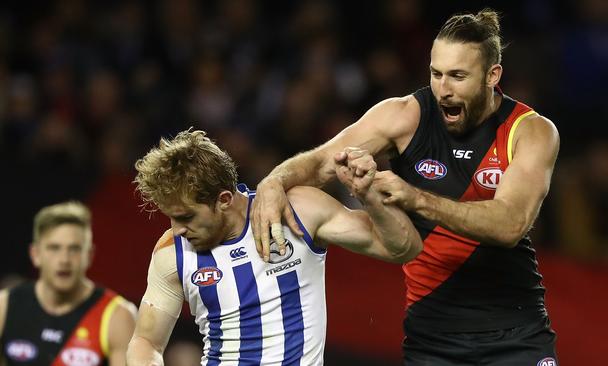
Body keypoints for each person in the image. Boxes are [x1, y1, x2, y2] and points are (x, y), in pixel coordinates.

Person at [252, 8, 560, 366]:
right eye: (436, 74)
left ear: (493, 75)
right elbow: (320, 162)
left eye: (458, 76)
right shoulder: (404, 116)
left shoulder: (530, 131)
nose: (443, 90)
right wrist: (274, 181)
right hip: (432, 339)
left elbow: (510, 224)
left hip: (517, 335)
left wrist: (415, 198)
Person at [126, 129, 421, 365]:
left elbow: (402, 248)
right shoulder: (172, 252)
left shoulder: (298, 211)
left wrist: (368, 195)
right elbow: (146, 342)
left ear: (224, 200)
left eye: (186, 216)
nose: (177, 229)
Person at [0, 201, 137, 365]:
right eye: (54, 248)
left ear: (89, 255)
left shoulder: (118, 316)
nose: (64, 260)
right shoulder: (4, 306)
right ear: (35, 254)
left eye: (74, 249)